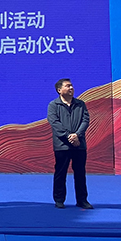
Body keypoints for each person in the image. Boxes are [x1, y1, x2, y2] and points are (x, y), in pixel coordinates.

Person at [47, 78, 93, 209]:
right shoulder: (53, 105)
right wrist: (69, 136)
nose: (71, 88)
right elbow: (55, 123)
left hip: (79, 145)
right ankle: (59, 199)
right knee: (60, 173)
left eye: (72, 85)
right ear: (59, 90)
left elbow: (85, 120)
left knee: (80, 173)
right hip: (62, 145)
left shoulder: (80, 104)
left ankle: (82, 200)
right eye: (67, 86)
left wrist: (77, 135)